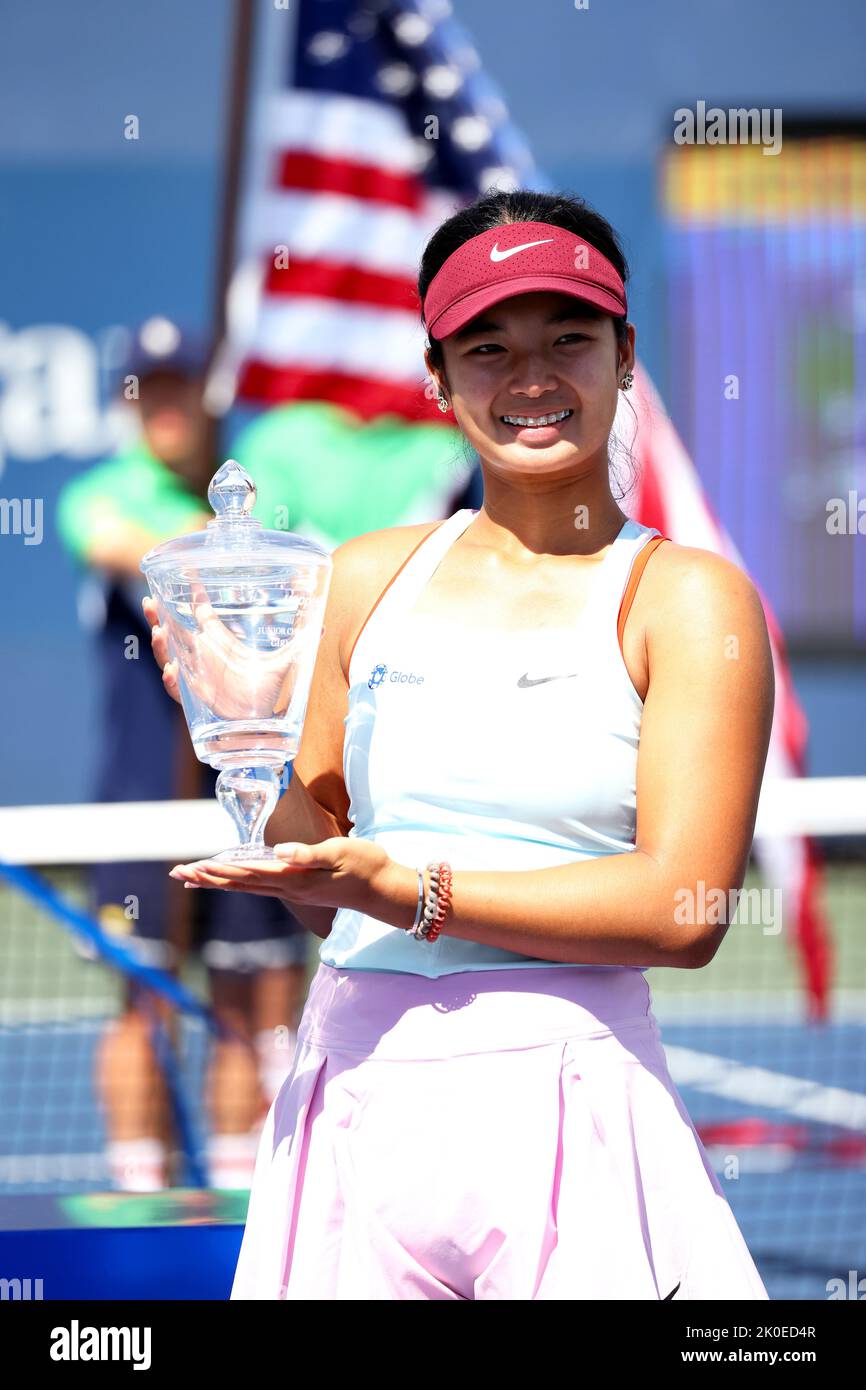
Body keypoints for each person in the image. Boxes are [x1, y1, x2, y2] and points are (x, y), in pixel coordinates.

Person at [147, 191, 775, 1299]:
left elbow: (684, 913)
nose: (531, 379)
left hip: (574, 1106)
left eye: (567, 338)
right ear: (436, 378)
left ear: (626, 356)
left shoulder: (689, 599)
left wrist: (409, 890)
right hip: (350, 1097)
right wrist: (239, 738)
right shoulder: (358, 578)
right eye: (487, 349)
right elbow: (321, 887)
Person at [56, 317, 309, 1192]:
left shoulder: (268, 495)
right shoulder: (101, 496)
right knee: (144, 1000)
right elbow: (113, 543)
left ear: (207, 397)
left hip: (252, 796)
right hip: (142, 802)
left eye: (182, 388)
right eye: (150, 390)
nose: (167, 407)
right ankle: (140, 1193)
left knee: (253, 1000)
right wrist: (219, 551)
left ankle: (241, 1196)